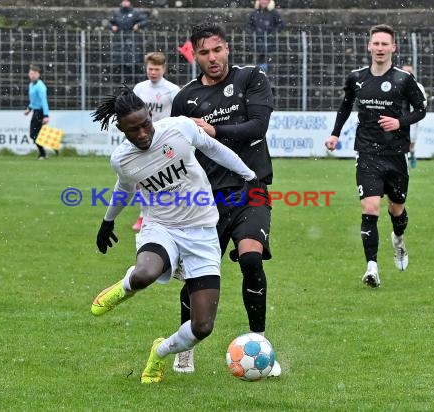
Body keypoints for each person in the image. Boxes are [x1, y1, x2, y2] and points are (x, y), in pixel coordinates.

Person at [90, 86, 259, 384]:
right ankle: (126, 287)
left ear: (151, 116)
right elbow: (123, 189)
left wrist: (249, 176)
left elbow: (214, 149)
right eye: (133, 130)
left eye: (145, 124)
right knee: (145, 274)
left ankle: (160, 352)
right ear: (120, 129)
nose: (142, 134)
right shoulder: (122, 160)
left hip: (203, 230)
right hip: (161, 227)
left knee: (203, 326)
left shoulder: (179, 129)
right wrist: (108, 221)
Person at [170, 23, 281, 376]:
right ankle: (185, 349)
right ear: (195, 56)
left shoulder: (250, 78)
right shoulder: (184, 99)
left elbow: (257, 127)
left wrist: (212, 130)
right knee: (198, 280)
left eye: (217, 50)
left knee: (251, 259)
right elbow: (175, 155)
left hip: (252, 189)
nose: (212, 58)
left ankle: (260, 343)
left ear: (227, 49)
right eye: (204, 53)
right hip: (206, 202)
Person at [325, 24, 427, 288]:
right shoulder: (356, 77)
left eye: (385, 44)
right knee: (370, 208)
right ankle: (372, 267)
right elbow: (346, 105)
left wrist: (400, 122)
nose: (380, 48)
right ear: (369, 46)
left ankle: (399, 239)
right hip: (367, 152)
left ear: (393, 47)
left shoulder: (404, 79)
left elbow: (421, 109)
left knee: (397, 209)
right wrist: (335, 134)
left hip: (395, 154)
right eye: (376, 43)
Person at [131, 52, 181, 231]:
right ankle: (143, 215)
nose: (153, 72)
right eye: (150, 69)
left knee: (167, 179)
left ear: (164, 69)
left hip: (164, 140)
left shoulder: (172, 90)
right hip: (143, 140)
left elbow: (179, 115)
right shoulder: (139, 89)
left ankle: (168, 215)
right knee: (140, 179)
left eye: (156, 69)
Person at [108, 0, 148, 81]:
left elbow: (145, 21)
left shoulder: (135, 13)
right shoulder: (117, 13)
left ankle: (135, 79)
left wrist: (138, 25)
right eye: (124, 1)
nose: (125, 3)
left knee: (134, 59)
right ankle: (123, 80)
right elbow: (109, 22)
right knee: (121, 60)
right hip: (120, 40)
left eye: (127, 1)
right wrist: (112, 27)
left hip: (132, 39)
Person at [247, 0, 283, 72]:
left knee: (271, 67)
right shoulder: (254, 13)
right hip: (257, 44)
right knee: (256, 67)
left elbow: (280, 25)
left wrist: (272, 33)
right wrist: (254, 33)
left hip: (270, 45)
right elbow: (249, 25)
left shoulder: (274, 13)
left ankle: (270, 81)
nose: (263, 1)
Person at [402, 65, 427, 168]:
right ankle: (403, 160)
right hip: (399, 118)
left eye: (409, 71)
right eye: (405, 71)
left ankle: (412, 155)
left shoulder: (418, 86)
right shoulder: (397, 85)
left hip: (413, 118)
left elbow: (424, 103)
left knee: (411, 141)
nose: (408, 73)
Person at [24, 64, 50, 160]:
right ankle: (43, 153)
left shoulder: (40, 86)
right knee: (34, 135)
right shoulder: (31, 85)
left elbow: (43, 101)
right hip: (35, 111)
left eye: (35, 73)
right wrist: (29, 109)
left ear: (38, 74)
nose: (33, 75)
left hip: (40, 112)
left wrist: (46, 115)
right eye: (31, 73)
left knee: (35, 135)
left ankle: (43, 154)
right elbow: (34, 101)